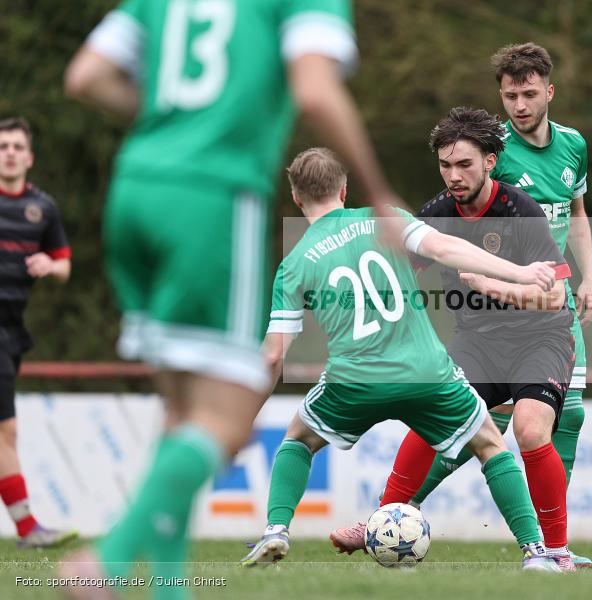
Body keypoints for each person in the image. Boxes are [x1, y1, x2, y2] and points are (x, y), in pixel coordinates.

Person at [61, 0, 407, 595]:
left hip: (135, 189)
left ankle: (169, 587)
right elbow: (316, 90)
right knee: (224, 423)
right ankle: (109, 560)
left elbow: (85, 77)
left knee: (182, 416)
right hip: (213, 200)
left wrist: (168, 122)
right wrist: (378, 195)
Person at [240, 147, 561, 572]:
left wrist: (241, 423)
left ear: (297, 199)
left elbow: (274, 355)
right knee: (490, 444)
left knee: (298, 440)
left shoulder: (294, 263)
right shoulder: (384, 218)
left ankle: (276, 530)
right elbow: (446, 248)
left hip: (353, 381)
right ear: (344, 189)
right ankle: (536, 553)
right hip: (427, 373)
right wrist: (519, 272)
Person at [331, 107, 579, 571]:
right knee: (429, 413)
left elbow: (554, 298)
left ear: (490, 161)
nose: (453, 176)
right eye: (445, 165)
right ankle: (379, 524)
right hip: (477, 343)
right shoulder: (436, 214)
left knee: (528, 430)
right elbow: (397, 277)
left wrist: (494, 287)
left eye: (464, 164)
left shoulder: (519, 210)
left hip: (539, 339)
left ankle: (557, 551)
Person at [402, 43, 592, 568]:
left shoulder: (574, 145)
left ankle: (553, 540)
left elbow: (578, 214)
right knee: (482, 421)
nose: (519, 104)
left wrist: (591, 279)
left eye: (529, 93)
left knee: (563, 416)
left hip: (550, 298)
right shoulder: (495, 152)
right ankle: (403, 512)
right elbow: (457, 213)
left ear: (549, 92)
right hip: (495, 310)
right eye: (509, 95)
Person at [0, 117, 76, 549]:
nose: (9, 152)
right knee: (5, 430)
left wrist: (50, 265)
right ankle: (28, 528)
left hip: (12, 330)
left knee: (4, 433)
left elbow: (65, 264)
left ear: (29, 157)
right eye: (2, 145)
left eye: (16, 146)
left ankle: (27, 527)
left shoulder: (42, 209)